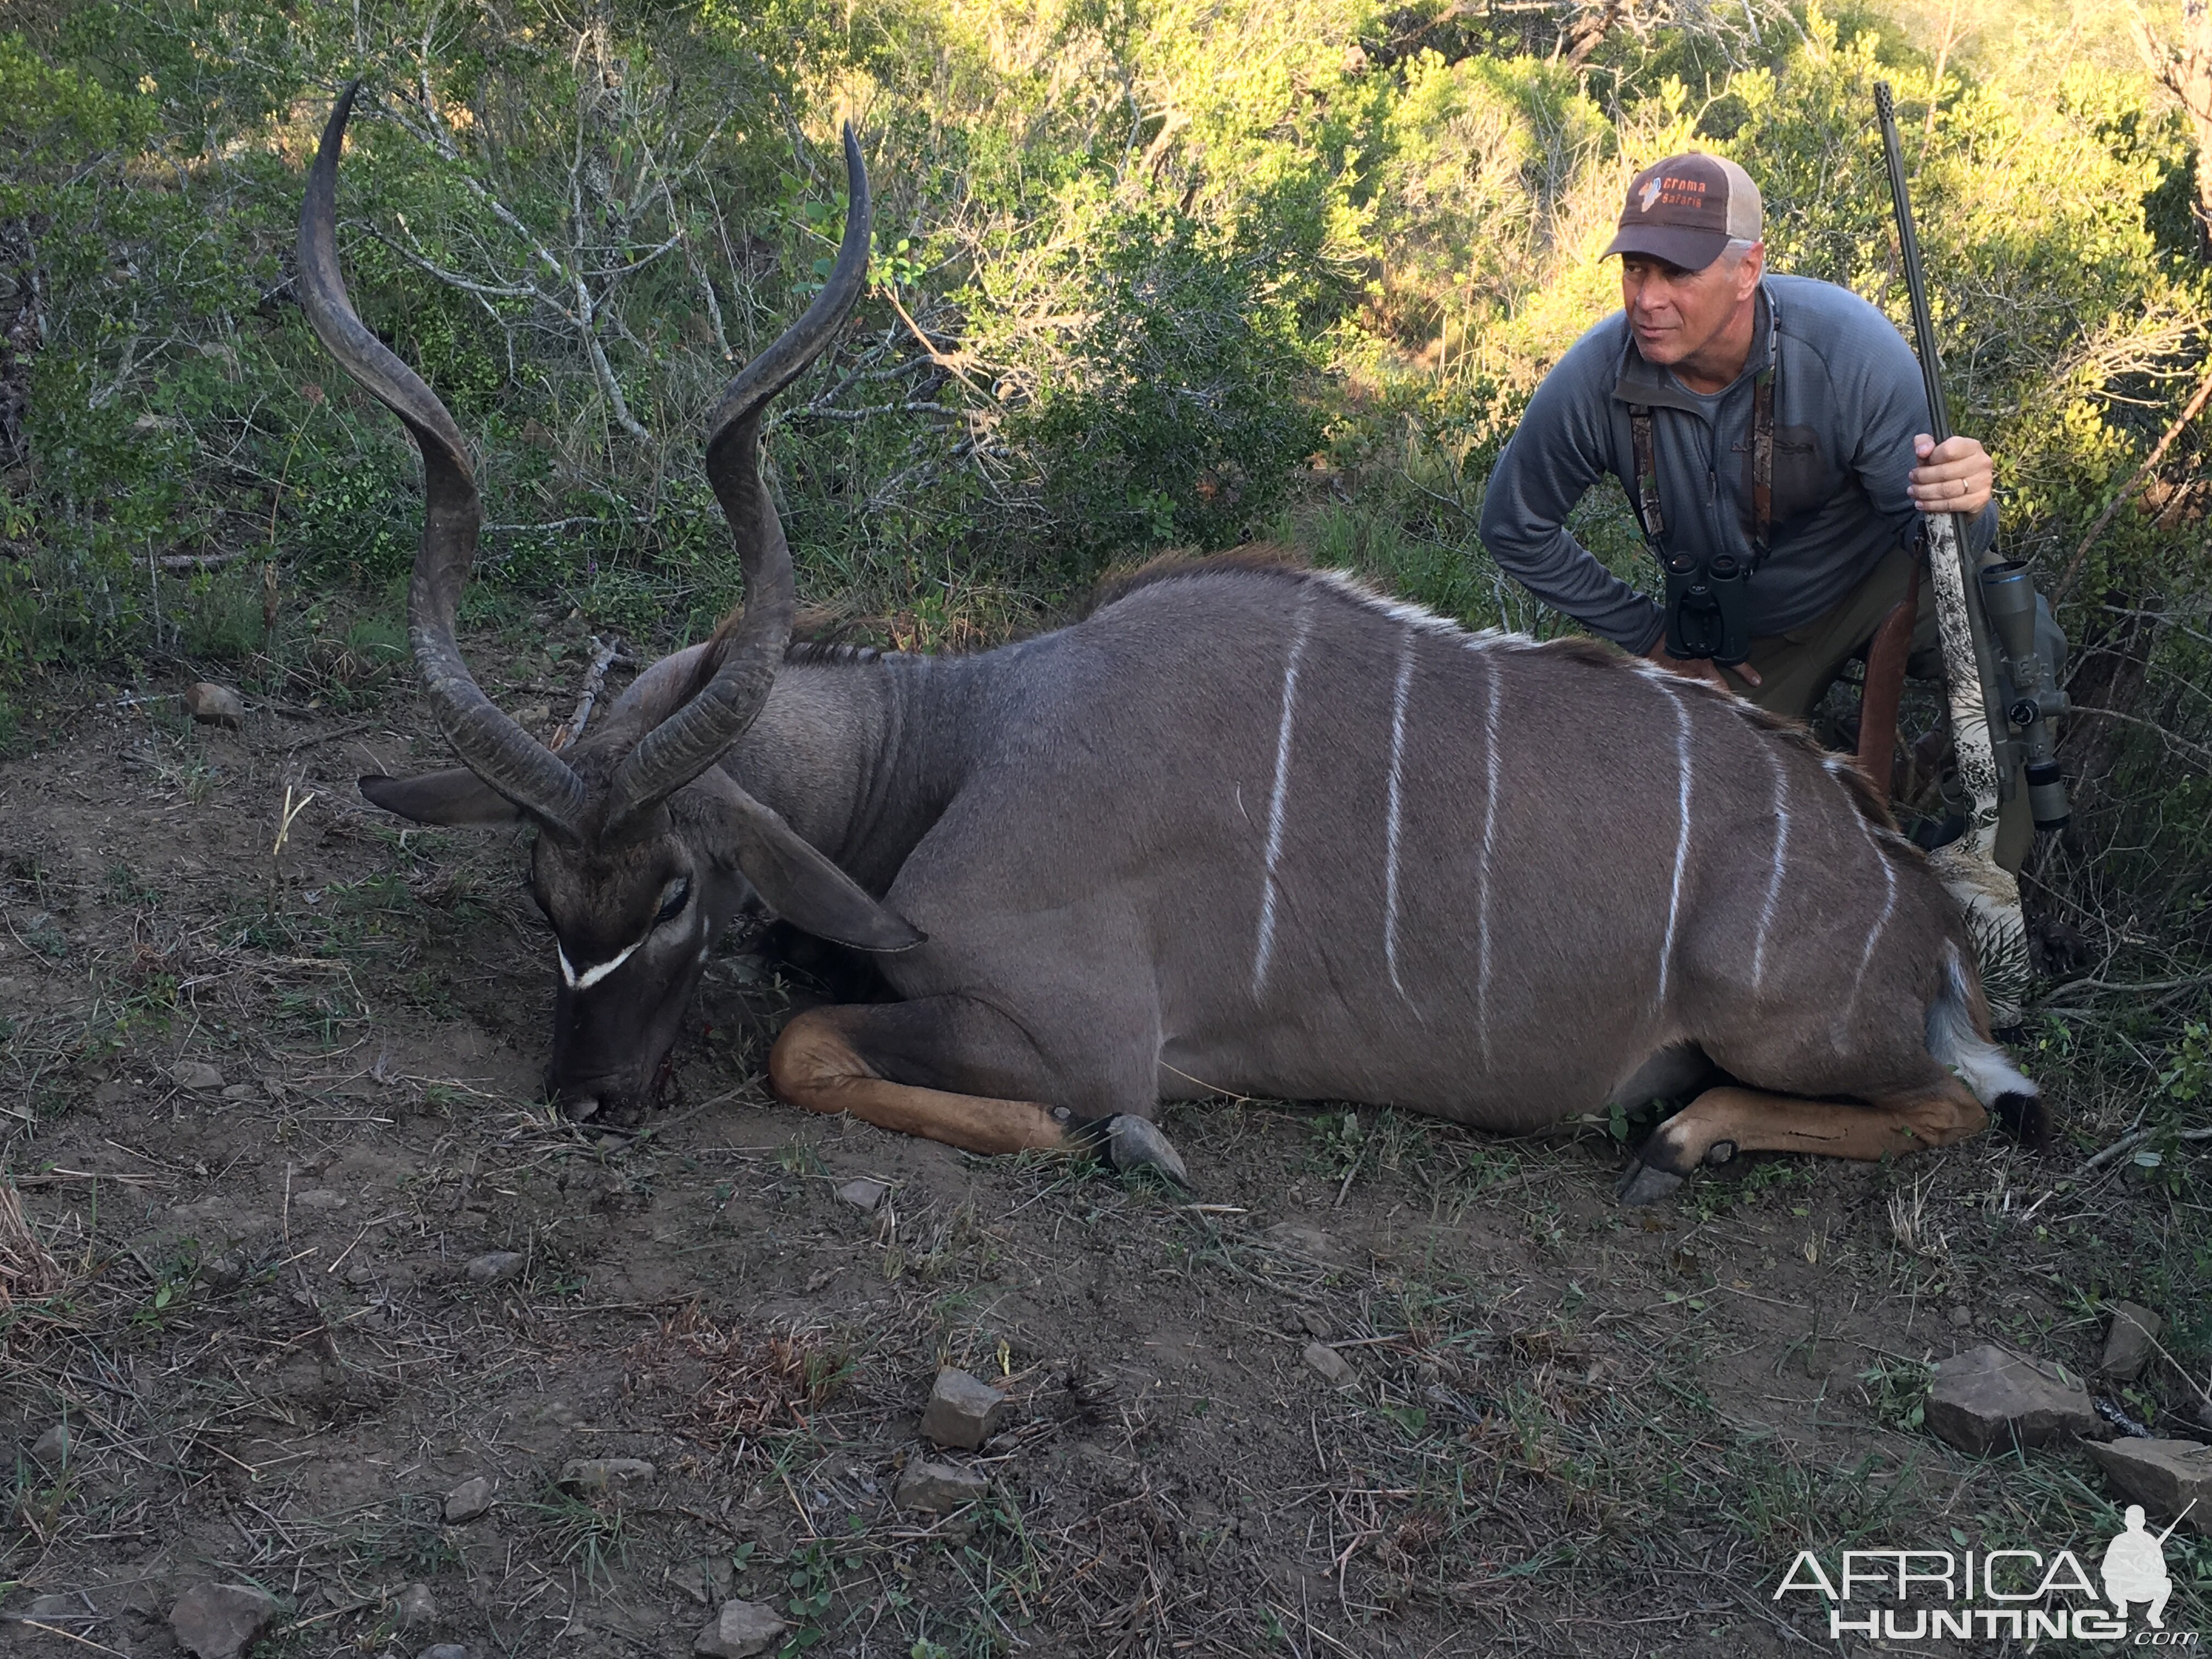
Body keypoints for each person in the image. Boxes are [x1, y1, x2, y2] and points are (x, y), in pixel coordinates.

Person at [1478, 152, 2027, 868]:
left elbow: (1937, 540)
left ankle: (1981, 905)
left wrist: (1964, 502)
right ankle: (1837, 837)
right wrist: (1647, 635)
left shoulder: (1848, 350)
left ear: (1748, 270)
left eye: (1679, 272)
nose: (1648, 299)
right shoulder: (1597, 377)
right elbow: (1513, 525)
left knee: (2019, 648)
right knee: (1675, 816)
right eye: (1636, 268)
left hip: (1881, 581)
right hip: (1745, 631)